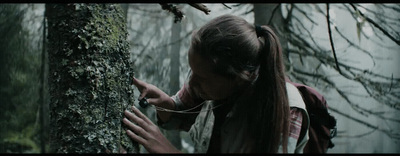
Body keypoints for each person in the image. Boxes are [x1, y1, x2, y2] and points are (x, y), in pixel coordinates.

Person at [122, 14, 310, 153]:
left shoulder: (284, 109)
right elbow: (185, 112)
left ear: (238, 78)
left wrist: (169, 151)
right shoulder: (208, 77)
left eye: (201, 78)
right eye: (192, 71)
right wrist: (167, 105)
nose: (192, 81)